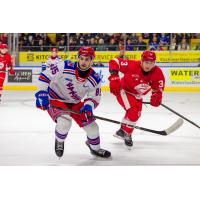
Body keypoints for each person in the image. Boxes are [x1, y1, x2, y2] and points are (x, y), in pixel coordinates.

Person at [35, 46, 111, 158]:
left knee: (93, 127)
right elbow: (45, 76)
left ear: (92, 60)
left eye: (87, 59)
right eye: (82, 58)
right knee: (65, 122)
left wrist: (88, 107)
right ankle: (59, 141)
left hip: (75, 103)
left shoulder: (95, 78)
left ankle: (95, 149)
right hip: (56, 99)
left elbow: (93, 97)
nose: (84, 62)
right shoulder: (65, 66)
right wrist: (42, 93)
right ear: (78, 58)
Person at [108, 50, 165, 147]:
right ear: (141, 61)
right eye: (146, 62)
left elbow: (158, 87)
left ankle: (124, 132)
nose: (148, 65)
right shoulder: (132, 65)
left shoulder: (157, 72)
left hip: (138, 95)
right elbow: (114, 61)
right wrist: (114, 77)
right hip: (124, 91)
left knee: (136, 114)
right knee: (133, 112)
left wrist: (157, 95)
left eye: (151, 63)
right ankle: (125, 132)